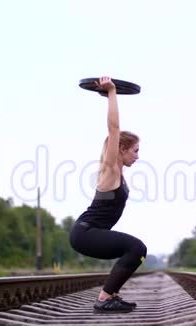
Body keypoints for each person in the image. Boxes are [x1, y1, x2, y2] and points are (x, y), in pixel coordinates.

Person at [69, 76, 146, 313]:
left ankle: (111, 295)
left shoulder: (118, 174)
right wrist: (112, 93)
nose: (138, 156)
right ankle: (104, 299)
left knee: (135, 250)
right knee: (137, 248)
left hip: (90, 233)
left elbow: (115, 134)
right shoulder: (110, 171)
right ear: (121, 150)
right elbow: (114, 129)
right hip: (85, 233)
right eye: (135, 150)